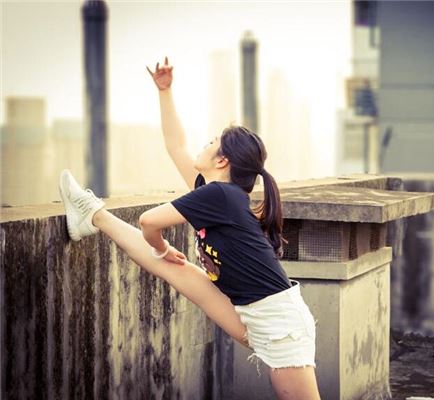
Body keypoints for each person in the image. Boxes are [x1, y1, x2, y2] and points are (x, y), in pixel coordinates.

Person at [58, 57, 320, 399]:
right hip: (251, 310)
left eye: (212, 141)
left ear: (222, 160)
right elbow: (176, 145)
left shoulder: (221, 196)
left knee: (168, 260)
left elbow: (149, 221)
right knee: (174, 268)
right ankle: (92, 214)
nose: (204, 144)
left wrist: (163, 247)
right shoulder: (216, 194)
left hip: (278, 322)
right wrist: (165, 92)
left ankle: (92, 213)